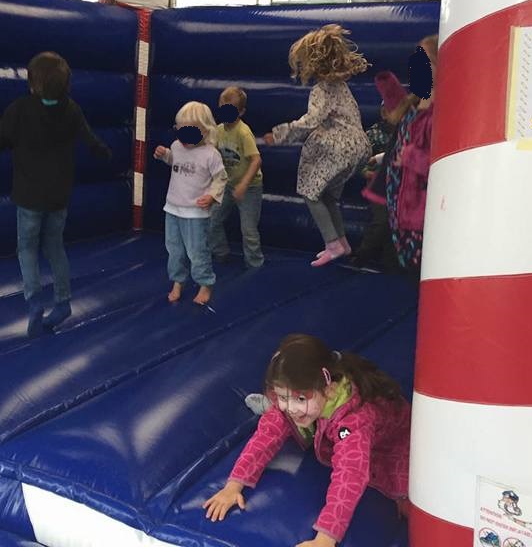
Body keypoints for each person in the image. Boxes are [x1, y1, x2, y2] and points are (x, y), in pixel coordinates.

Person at [204, 334, 411, 547]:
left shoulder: (353, 424)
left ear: (329, 391)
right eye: (282, 396)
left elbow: (350, 475)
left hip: (391, 444)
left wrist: (325, 539)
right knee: (279, 418)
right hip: (324, 420)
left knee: (404, 492)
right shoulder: (298, 403)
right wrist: (233, 486)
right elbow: (265, 437)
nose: (291, 407)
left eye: (300, 398)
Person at [0, 51, 112, 338]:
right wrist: (104, 153)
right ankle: (63, 300)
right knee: (55, 247)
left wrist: (9, 141)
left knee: (27, 249)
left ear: (33, 84)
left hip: (29, 197)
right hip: (58, 197)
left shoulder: (20, 109)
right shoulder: (72, 109)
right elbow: (91, 140)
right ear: (66, 84)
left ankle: (34, 301)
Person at [263, 25, 371, 267]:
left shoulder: (321, 89)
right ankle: (341, 242)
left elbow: (311, 120)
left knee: (309, 191)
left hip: (340, 147)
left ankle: (332, 243)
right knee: (328, 196)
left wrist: (280, 134)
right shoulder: (342, 87)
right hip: (360, 146)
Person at [154, 101, 228, 305]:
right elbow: (176, 161)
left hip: (195, 213)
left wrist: (212, 196)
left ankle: (205, 282)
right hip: (173, 208)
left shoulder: (211, 154)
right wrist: (165, 155)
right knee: (174, 249)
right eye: (181, 131)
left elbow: (221, 178)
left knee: (196, 251)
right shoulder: (176, 146)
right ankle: (178, 280)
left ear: (205, 131)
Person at [350, 72, 419, 272]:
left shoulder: (407, 129)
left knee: (395, 224)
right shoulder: (374, 134)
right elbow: (359, 160)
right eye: (391, 111)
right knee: (381, 221)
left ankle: (391, 261)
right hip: (379, 185)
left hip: (401, 186)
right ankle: (361, 255)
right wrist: (367, 172)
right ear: (383, 113)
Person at [386, 35, 438, 284]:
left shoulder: (441, 112)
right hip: (400, 204)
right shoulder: (414, 105)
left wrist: (409, 157)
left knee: (420, 274)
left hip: (422, 211)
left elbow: (442, 164)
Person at [209, 86, 265, 269]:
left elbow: (256, 160)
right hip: (227, 184)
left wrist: (243, 184)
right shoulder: (218, 130)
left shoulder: (243, 132)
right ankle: (220, 252)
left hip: (250, 187)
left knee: (248, 230)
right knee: (212, 220)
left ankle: (254, 264)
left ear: (241, 112)